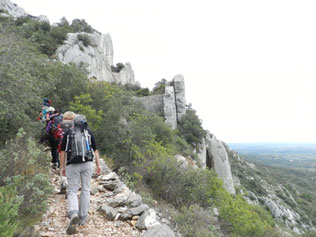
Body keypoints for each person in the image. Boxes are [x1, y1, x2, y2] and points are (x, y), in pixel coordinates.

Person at [60, 114, 101, 235]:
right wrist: (98, 165)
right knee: (86, 190)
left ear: (74, 122)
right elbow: (95, 150)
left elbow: (62, 152)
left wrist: (62, 167)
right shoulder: (88, 132)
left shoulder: (68, 133)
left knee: (72, 190)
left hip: (72, 165)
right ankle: (83, 217)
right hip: (87, 164)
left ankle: (73, 213)